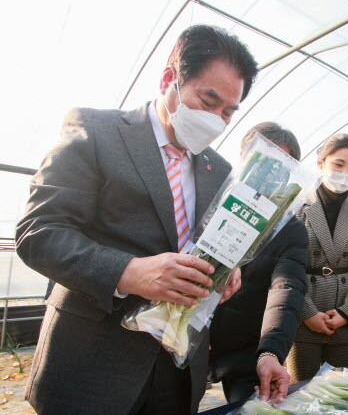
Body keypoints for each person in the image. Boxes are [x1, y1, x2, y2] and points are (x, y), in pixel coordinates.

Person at [15, 25, 259, 414]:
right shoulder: (97, 131)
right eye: (208, 99)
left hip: (178, 371)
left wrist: (225, 272)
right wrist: (128, 272)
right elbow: (39, 233)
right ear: (169, 80)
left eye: (228, 111)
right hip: (93, 364)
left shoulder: (219, 169)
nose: (217, 119)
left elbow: (208, 243)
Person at [209, 122, 308, 403]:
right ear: (243, 157)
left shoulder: (289, 229)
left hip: (247, 349)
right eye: (263, 159)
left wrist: (270, 352)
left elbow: (285, 292)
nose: (270, 171)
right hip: (189, 340)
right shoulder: (208, 203)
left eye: (281, 165)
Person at [287, 134, 348, 383]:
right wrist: (307, 313)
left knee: (341, 391)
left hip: (345, 319)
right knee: (301, 392)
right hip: (303, 315)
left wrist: (347, 312)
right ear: (321, 163)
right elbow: (286, 267)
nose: (345, 172)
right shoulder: (297, 205)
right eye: (338, 164)